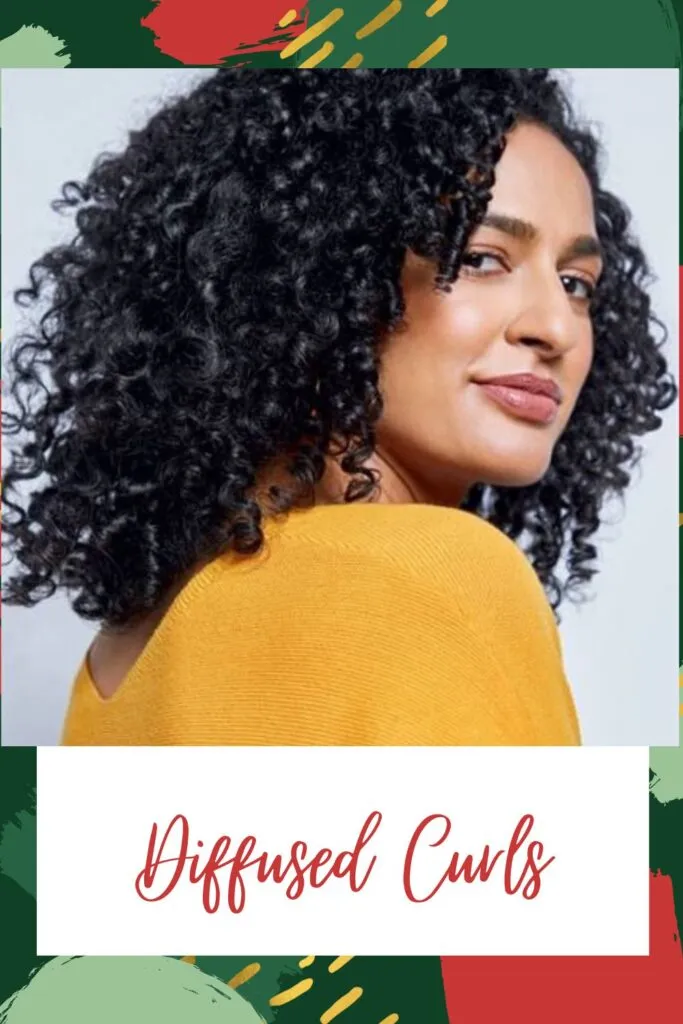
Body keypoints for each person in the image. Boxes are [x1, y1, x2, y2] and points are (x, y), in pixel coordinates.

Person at [2, 68, 675, 746]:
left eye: (575, 283)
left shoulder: (121, 652)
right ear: (321, 271)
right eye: (479, 258)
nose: (556, 328)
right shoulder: (432, 576)